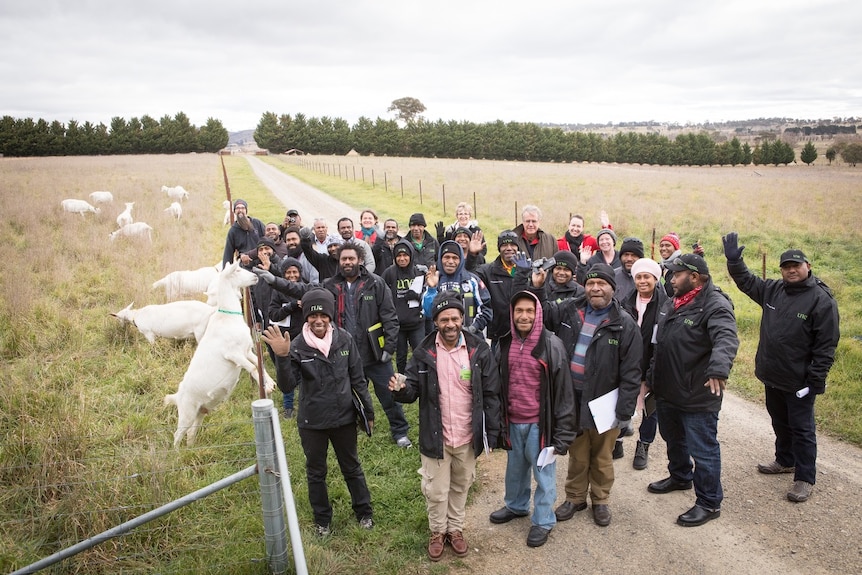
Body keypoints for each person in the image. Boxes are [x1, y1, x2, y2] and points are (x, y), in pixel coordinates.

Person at [258, 241, 412, 448]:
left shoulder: (375, 284)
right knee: (346, 395)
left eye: (351, 258)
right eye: (343, 259)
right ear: (338, 262)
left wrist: (388, 349)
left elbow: (390, 318)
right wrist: (275, 281)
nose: (347, 262)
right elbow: (302, 289)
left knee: (388, 394)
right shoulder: (330, 285)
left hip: (374, 354)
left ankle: (400, 431)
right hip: (344, 353)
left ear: (359, 260)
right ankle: (353, 429)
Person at [723, 234, 840, 503]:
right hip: (772, 374)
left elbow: (826, 345)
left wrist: (815, 379)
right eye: (786, 266)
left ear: (807, 266)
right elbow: (746, 281)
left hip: (800, 381)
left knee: (802, 428)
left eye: (796, 265)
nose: (791, 270)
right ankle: (785, 460)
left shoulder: (821, 300)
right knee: (779, 421)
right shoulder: (773, 290)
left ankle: (805, 477)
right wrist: (734, 260)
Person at [389, 290, 501, 562]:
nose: (450, 324)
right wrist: (401, 389)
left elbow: (491, 393)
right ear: (435, 322)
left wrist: (493, 432)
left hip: (467, 434)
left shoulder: (479, 349)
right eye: (443, 319)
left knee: (461, 486)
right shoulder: (424, 351)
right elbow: (412, 388)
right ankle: (438, 532)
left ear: (462, 318)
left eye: (454, 318)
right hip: (435, 435)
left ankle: (455, 529)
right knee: (436, 490)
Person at [261, 288, 375, 536]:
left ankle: (364, 513)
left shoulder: (344, 339)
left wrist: (369, 411)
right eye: (313, 316)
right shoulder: (297, 345)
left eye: (324, 315)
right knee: (316, 472)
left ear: (330, 316)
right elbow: (287, 386)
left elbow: (358, 379)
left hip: (344, 418)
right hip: (312, 422)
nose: (319, 320)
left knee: (352, 467)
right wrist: (281, 358)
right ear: (306, 318)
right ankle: (323, 521)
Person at [538, 263, 642, 527]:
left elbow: (632, 371)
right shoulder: (570, 309)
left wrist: (624, 411)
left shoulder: (624, 323)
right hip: (572, 398)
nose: (595, 288)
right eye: (591, 283)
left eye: (602, 284)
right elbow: (541, 314)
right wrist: (537, 287)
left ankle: (600, 500)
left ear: (612, 288)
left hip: (604, 403)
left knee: (602, 456)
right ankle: (574, 498)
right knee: (578, 453)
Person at [646, 253, 739, 527]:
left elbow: (726, 337)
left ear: (695, 277)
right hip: (668, 389)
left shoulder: (715, 304)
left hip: (697, 393)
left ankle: (709, 502)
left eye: (676, 275)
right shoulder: (673, 301)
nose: (671, 279)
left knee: (703, 449)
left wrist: (719, 368)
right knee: (673, 438)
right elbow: (659, 343)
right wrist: (652, 376)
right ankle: (680, 476)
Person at [489, 290, 575, 548]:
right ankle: (515, 506)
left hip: (541, 425)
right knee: (514, 471)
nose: (524, 316)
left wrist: (562, 435)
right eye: (519, 311)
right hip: (512, 421)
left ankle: (544, 520)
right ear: (512, 314)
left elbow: (564, 392)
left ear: (538, 314)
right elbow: (495, 385)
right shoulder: (504, 342)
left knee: (544, 476)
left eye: (529, 311)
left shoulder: (551, 345)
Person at [619, 257, 667, 470]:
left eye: (646, 277)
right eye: (638, 277)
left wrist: (654, 369)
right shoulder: (626, 302)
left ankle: (643, 445)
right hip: (629, 363)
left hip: (653, 362)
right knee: (622, 402)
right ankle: (617, 441)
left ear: (655, 279)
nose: (642, 281)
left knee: (650, 408)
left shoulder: (666, 305)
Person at [422, 241, 492, 338]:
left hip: (472, 337)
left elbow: (486, 308)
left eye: (455, 258)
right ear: (440, 259)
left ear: (461, 260)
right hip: (441, 338)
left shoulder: (472, 280)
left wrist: (473, 328)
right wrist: (432, 289)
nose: (450, 261)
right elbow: (429, 313)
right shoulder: (433, 280)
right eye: (446, 257)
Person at [380, 239, 426, 374]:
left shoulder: (419, 272)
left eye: (405, 255)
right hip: (398, 324)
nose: (402, 258)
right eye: (399, 256)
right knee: (400, 356)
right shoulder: (389, 273)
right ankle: (401, 381)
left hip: (417, 323)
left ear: (411, 256)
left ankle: (420, 378)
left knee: (419, 354)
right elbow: (381, 293)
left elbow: (430, 296)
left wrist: (417, 296)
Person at [268, 257, 305, 419]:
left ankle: (305, 404)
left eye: (295, 272)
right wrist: (291, 306)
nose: (292, 275)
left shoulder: (306, 287)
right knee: (286, 372)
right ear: (283, 274)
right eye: (288, 272)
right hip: (286, 340)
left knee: (306, 373)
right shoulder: (278, 292)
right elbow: (273, 314)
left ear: (300, 273)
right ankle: (288, 407)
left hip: (305, 338)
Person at [476, 230, 520, 351]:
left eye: (513, 245)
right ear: (499, 248)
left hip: (523, 334)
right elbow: (470, 276)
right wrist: (472, 255)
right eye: (504, 245)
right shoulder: (488, 271)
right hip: (498, 336)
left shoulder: (527, 269)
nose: (509, 248)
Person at [222, 198, 265, 266]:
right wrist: (226, 270)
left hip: (261, 261)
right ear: (234, 211)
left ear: (246, 210)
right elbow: (228, 253)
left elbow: (266, 240)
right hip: (244, 265)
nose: (240, 210)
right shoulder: (233, 231)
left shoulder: (257, 223)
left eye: (243, 208)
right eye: (237, 208)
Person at [613, 237, 645, 303]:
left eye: (634, 255)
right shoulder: (611, 276)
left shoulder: (650, 279)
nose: (629, 259)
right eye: (626, 255)